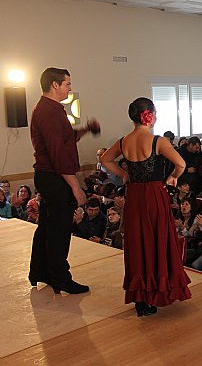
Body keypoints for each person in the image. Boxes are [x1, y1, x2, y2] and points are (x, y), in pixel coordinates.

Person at [101, 97, 191, 316]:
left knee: (138, 243)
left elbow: (105, 159)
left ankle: (141, 299)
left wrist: (125, 175)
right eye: (155, 113)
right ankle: (157, 293)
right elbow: (181, 164)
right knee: (157, 241)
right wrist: (172, 177)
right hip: (154, 195)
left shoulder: (124, 141)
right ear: (148, 115)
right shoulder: (158, 141)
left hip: (135, 196)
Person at [29, 67, 101, 294]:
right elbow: (58, 153)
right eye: (67, 84)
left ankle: (40, 271)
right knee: (59, 230)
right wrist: (75, 187)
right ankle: (60, 278)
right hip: (54, 177)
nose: (70, 88)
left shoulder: (50, 109)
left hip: (48, 175)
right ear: (54, 85)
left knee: (48, 226)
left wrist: (86, 129)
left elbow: (65, 139)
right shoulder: (48, 112)